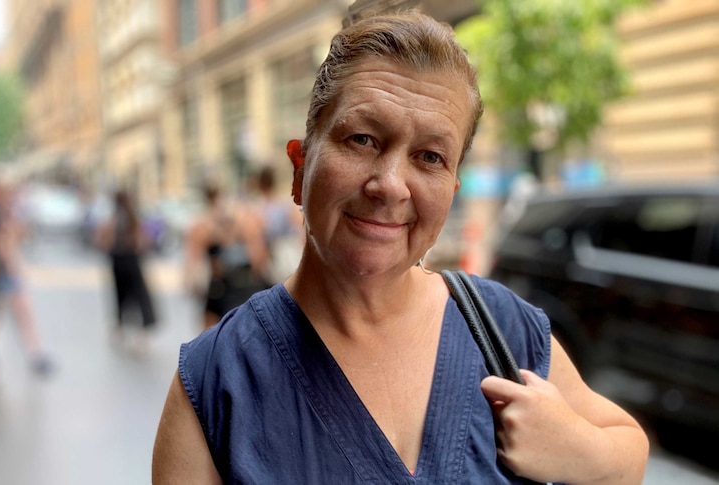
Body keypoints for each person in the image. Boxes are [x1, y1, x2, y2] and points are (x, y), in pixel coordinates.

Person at [152, 11, 649, 484]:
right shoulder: (217, 382)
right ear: (300, 168)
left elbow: (630, 450)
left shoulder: (505, 331)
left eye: (430, 157)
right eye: (363, 139)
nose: (390, 185)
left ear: (451, 192)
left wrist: (576, 448)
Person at [182, 180, 269, 330]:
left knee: (211, 338)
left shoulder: (203, 223)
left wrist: (192, 283)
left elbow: (193, 258)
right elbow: (258, 257)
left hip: (218, 287)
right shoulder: (244, 219)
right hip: (244, 285)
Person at [0, 181, 54, 376]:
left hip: (11, 272)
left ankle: (33, 353)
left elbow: (20, 238)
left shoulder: (9, 216)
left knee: (21, 314)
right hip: (1, 273)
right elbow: (2, 247)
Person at [94, 190, 157, 347]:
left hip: (118, 260)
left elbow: (103, 239)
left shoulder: (115, 218)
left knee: (120, 296)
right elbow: (143, 240)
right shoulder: (131, 218)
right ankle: (139, 331)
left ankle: (120, 327)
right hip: (130, 260)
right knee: (139, 296)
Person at [251, 165, 305, 286]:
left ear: (259, 184)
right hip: (292, 262)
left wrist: (257, 270)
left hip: (272, 268)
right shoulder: (287, 205)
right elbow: (302, 233)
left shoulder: (257, 210)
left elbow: (257, 244)